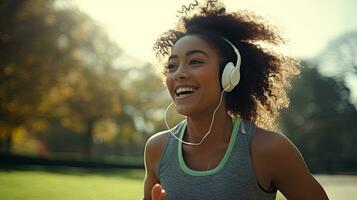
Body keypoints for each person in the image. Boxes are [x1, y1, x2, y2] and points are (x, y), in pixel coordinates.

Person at [143, 1, 329, 199]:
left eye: (195, 61)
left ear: (229, 75)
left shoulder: (269, 149)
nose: (178, 73)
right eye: (172, 66)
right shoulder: (157, 148)